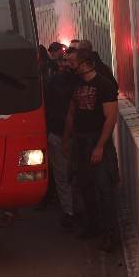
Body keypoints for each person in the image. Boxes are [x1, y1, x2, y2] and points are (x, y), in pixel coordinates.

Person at [63, 48, 120, 251]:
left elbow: (110, 118)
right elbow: (71, 114)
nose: (67, 64)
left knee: (105, 189)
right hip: (80, 141)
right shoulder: (75, 84)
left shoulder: (103, 85)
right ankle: (94, 226)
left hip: (96, 140)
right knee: (85, 186)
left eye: (71, 61)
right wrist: (66, 140)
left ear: (84, 63)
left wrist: (100, 146)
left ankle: (111, 235)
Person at [44, 50, 79, 230]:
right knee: (66, 175)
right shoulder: (77, 81)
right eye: (63, 61)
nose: (65, 64)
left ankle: (71, 211)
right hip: (65, 134)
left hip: (69, 134)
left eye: (68, 61)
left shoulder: (54, 82)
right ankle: (72, 211)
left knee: (65, 175)